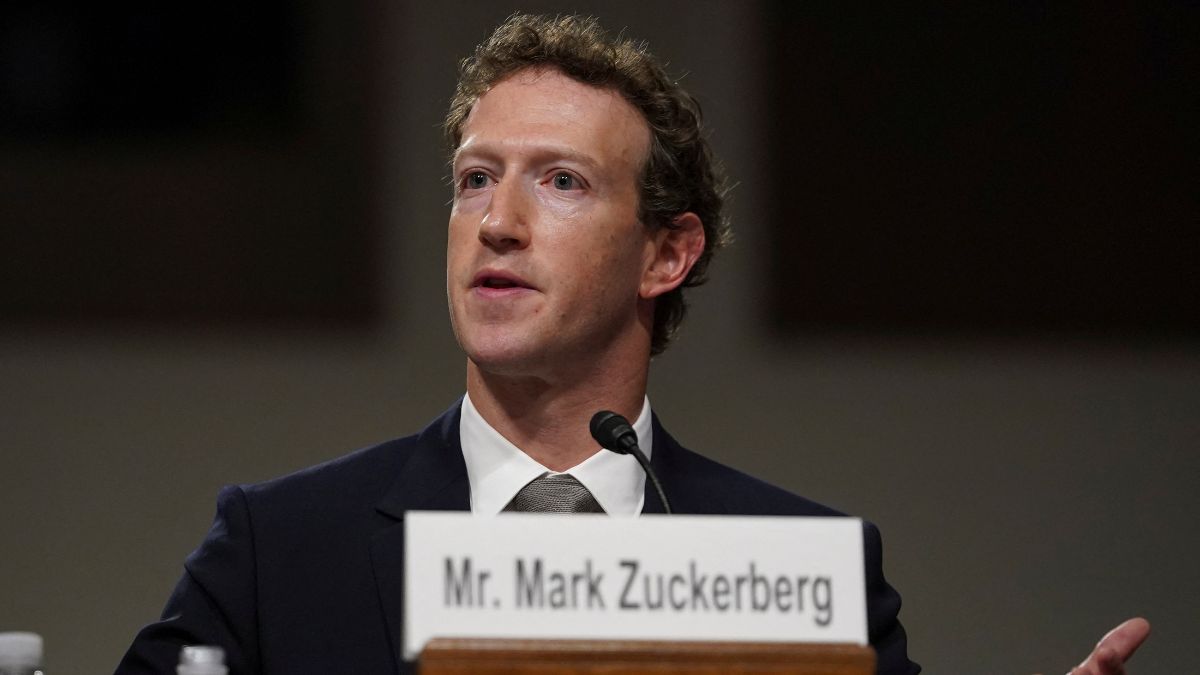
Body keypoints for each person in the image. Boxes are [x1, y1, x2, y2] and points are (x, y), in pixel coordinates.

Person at [115, 14, 1148, 675]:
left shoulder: (800, 579)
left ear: (667, 253)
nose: (497, 221)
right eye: (476, 178)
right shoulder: (278, 549)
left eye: (560, 181)